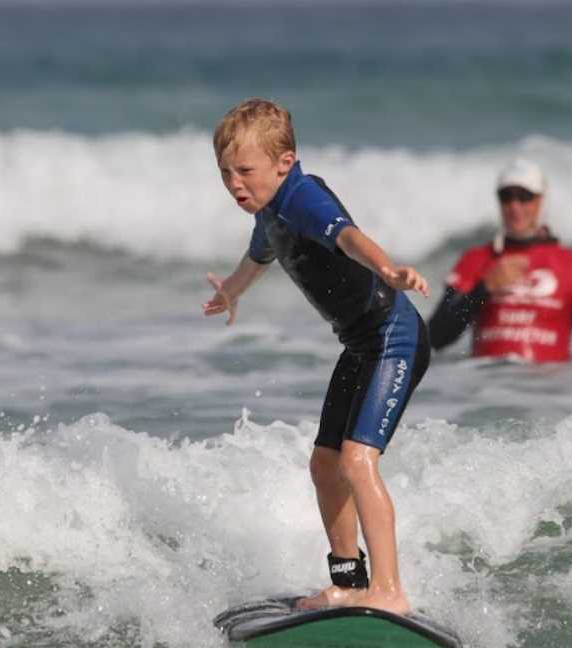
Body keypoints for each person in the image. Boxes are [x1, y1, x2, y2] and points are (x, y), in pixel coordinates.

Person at [203, 98, 430, 615]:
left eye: (245, 171)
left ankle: (390, 592)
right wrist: (232, 292)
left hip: (394, 336)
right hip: (360, 343)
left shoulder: (303, 196)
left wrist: (389, 270)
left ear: (284, 163)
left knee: (355, 459)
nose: (235, 183)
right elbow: (258, 256)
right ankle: (349, 582)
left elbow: (348, 237)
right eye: (225, 173)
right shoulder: (269, 211)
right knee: (325, 465)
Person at [428, 159, 572, 363]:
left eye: (524, 197)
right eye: (507, 197)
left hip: (546, 390)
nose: (514, 206)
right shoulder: (475, 261)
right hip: (484, 389)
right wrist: (483, 289)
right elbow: (435, 338)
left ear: (541, 200)